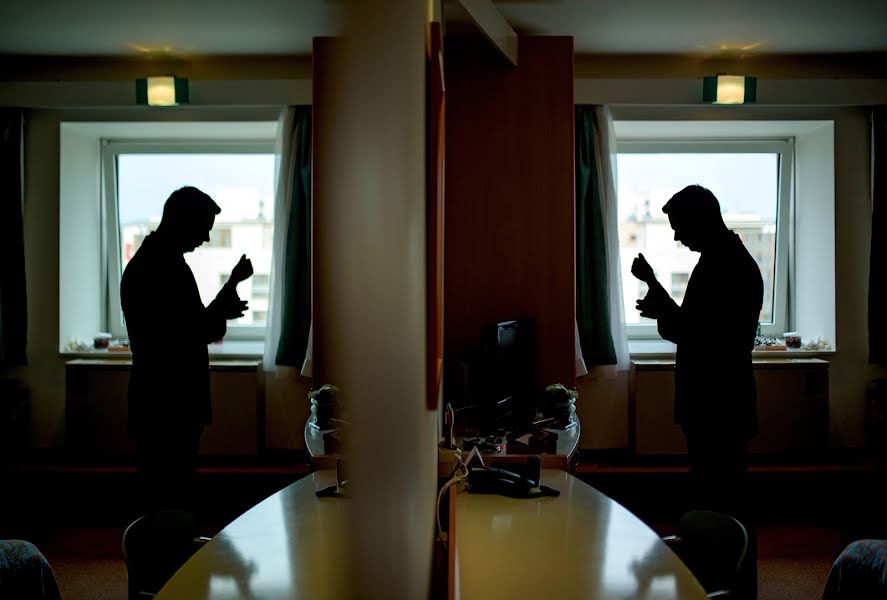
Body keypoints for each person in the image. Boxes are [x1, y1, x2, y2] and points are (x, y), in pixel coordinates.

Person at [631, 184, 763, 599]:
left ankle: (734, 587)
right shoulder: (720, 260)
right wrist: (657, 292)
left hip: (718, 405)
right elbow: (692, 327)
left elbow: (700, 335)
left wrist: (658, 297)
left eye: (679, 226)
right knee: (717, 496)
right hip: (713, 402)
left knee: (724, 501)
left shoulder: (729, 267)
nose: (676, 236)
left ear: (702, 219)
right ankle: (719, 582)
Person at [121, 186, 253, 511]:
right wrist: (229, 290)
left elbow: (188, 327)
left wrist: (226, 295)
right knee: (168, 494)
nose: (206, 238)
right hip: (167, 400)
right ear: (182, 221)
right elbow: (192, 332)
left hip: (164, 399)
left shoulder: (158, 262)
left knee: (167, 491)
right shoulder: (159, 268)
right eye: (204, 228)